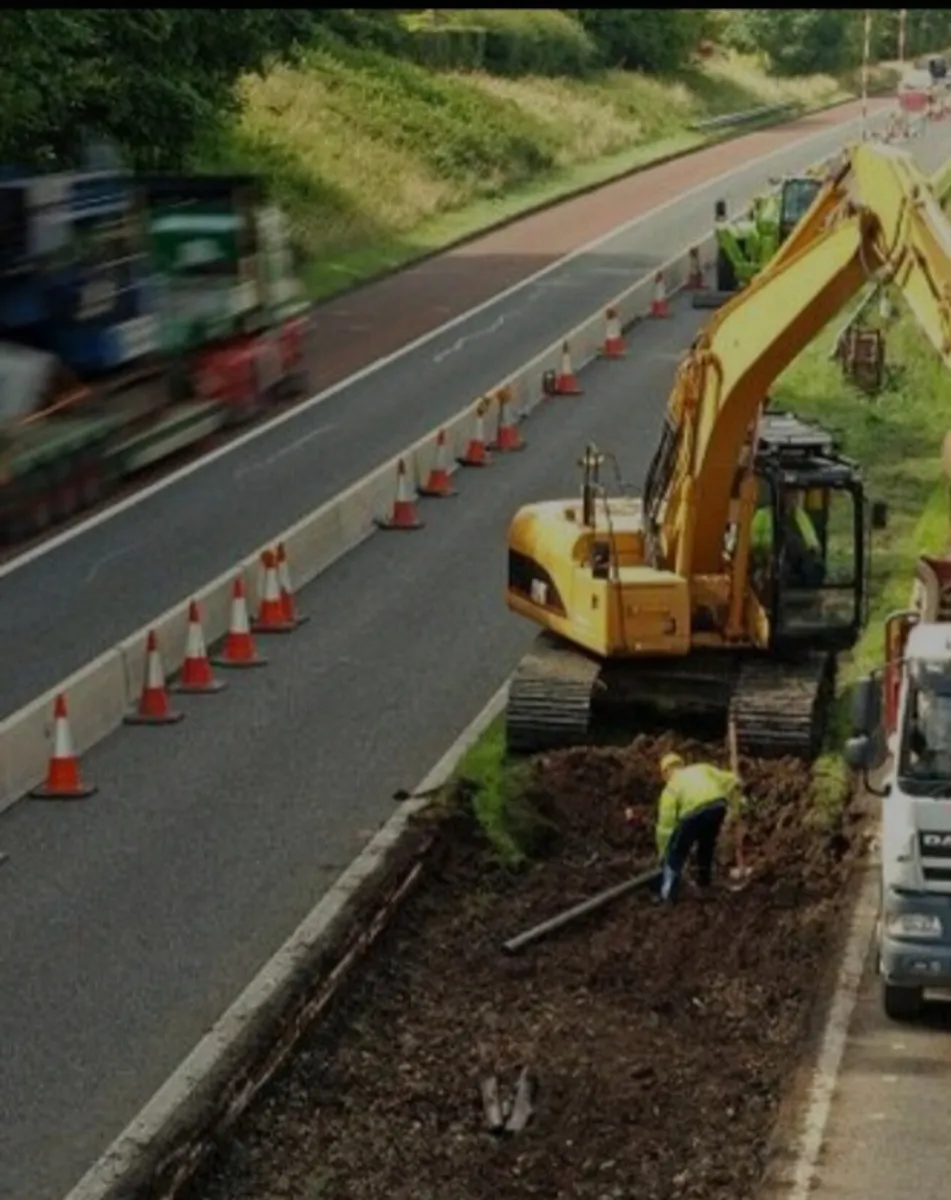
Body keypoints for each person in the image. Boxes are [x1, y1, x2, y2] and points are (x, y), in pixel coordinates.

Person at [651, 751, 748, 905]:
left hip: (692, 813)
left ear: (665, 773)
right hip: (717, 806)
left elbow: (666, 827)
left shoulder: (670, 788)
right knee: (706, 845)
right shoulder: (702, 768)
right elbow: (732, 780)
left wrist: (664, 853)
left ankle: (667, 896)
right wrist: (737, 807)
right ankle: (704, 882)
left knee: (677, 853)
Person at [750, 491, 824, 587]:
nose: (792, 497)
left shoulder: (800, 516)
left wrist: (811, 550)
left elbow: (813, 543)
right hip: (771, 560)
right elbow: (751, 542)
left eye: (794, 495)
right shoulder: (762, 515)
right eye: (788, 493)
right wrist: (768, 548)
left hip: (798, 562)